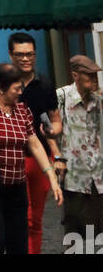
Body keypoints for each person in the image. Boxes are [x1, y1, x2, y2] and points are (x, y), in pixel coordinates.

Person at [0, 62, 62, 255]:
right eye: (17, 89)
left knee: (19, 242)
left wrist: (51, 176)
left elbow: (34, 144)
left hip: (17, 186)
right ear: (1, 87)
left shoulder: (23, 110)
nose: (20, 93)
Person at [2, 32, 61, 255]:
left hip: (39, 159)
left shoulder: (44, 85)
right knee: (19, 217)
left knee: (35, 219)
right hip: (10, 160)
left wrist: (51, 131)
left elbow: (56, 122)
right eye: (20, 55)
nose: (26, 59)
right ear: (10, 55)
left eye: (30, 54)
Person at [55, 54, 103, 246]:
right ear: (75, 75)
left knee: (96, 229)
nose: (93, 79)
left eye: (95, 75)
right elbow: (48, 131)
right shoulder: (62, 96)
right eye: (89, 75)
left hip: (98, 176)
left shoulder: (98, 101)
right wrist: (57, 157)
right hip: (73, 175)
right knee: (75, 227)